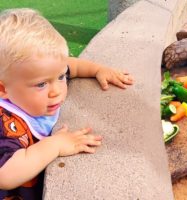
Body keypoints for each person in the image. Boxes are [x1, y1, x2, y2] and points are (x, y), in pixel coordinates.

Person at [0, 8, 134, 199]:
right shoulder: (4, 122)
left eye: (61, 77)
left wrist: (98, 69)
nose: (57, 91)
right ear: (3, 90)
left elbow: (72, 65)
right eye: (41, 84)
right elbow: (5, 174)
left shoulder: (43, 72)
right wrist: (54, 145)